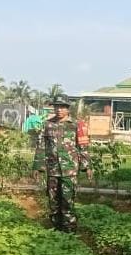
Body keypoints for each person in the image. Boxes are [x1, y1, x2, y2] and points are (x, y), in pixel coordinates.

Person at [31, 98, 92, 232]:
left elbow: (83, 147)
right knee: (53, 201)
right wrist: (37, 167)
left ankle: (69, 231)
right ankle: (56, 230)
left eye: (62, 107)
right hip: (53, 169)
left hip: (69, 170)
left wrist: (87, 166)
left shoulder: (76, 125)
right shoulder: (47, 125)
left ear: (68, 109)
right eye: (56, 107)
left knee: (67, 201)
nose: (59, 110)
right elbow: (41, 146)